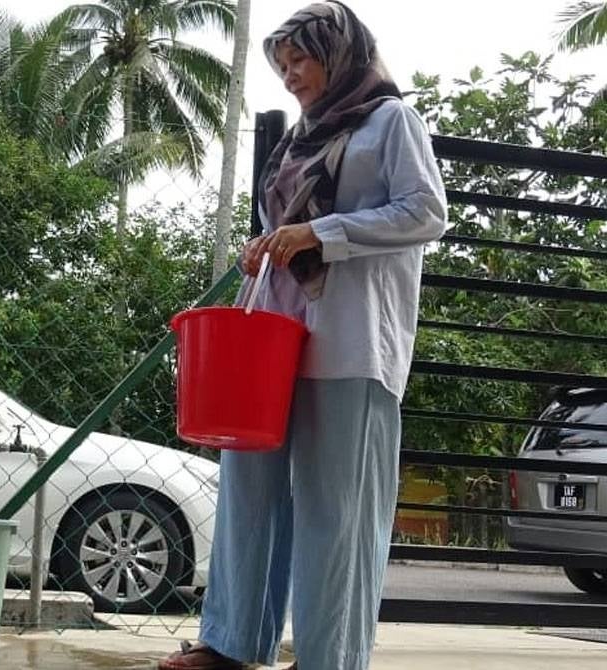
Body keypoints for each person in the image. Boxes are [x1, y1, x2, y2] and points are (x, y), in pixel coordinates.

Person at [159, 2, 447, 670]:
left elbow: (426, 212)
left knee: (336, 510)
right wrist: (265, 245)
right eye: (281, 65)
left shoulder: (390, 121)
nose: (289, 76)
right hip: (273, 341)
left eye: (300, 60)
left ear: (338, 52)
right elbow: (284, 220)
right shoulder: (297, 138)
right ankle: (230, 644)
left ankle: (328, 657)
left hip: (351, 341)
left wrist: (321, 234)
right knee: (249, 490)